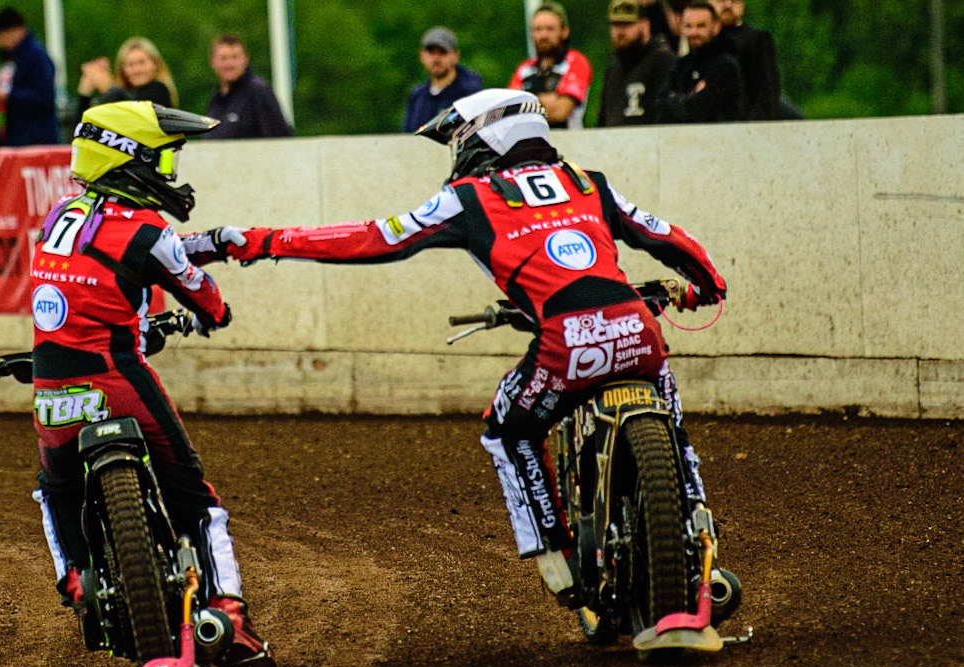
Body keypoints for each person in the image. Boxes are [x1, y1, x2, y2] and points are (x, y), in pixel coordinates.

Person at [221, 88, 727, 606]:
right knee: (674, 424)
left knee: (508, 429)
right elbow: (664, 235)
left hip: (565, 344)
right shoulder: (588, 182)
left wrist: (261, 241)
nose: (457, 151)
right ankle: (700, 539)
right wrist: (706, 286)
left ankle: (558, 557)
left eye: (458, 138)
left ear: (485, 133)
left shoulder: (469, 197)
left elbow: (375, 238)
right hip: (639, 330)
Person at [31, 100, 275, 667]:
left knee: (54, 489)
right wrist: (217, 308)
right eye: (162, 160)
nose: (168, 174)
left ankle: (73, 578)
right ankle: (230, 616)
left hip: (50, 385)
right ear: (130, 160)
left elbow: (124, 253)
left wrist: (210, 239)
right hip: (117, 377)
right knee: (195, 497)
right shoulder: (149, 229)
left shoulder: (62, 215)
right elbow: (197, 289)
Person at [0, 6, 57, 146]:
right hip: (8, 139)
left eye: (2, 35)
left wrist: (7, 96)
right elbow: (5, 94)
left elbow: (42, 96)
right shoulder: (8, 59)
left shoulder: (36, 56)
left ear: (16, 30)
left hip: (34, 141)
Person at [656, 2, 747, 123]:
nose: (694, 32)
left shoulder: (726, 65)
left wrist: (676, 99)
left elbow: (701, 111)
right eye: (688, 26)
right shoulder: (682, 64)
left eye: (701, 26)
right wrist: (691, 97)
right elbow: (659, 108)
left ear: (716, 27)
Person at [508, 1, 594, 129]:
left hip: (569, 143)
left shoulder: (576, 62)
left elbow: (560, 112)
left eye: (550, 29)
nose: (543, 35)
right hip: (531, 144)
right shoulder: (524, 68)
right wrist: (548, 101)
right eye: (538, 29)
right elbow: (508, 112)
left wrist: (525, 102)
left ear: (564, 31)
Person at [597, 0, 678, 127]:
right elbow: (603, 123)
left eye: (627, 24)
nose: (620, 32)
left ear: (645, 25)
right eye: (615, 25)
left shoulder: (663, 61)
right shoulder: (613, 70)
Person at [203, 34, 294, 140]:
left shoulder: (259, 92)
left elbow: (281, 139)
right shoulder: (216, 98)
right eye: (223, 58)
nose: (229, 63)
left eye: (235, 57)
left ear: (245, 59)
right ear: (212, 61)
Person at [402, 26, 483, 134]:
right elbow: (408, 136)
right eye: (431, 52)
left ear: (456, 55)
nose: (436, 59)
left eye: (442, 52)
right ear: (421, 55)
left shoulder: (470, 94)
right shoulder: (417, 96)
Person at [76, 37, 178, 116]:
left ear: (155, 64)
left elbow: (137, 110)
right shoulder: (119, 94)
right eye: (130, 65)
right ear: (122, 70)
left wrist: (108, 88)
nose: (137, 70)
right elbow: (84, 129)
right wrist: (85, 93)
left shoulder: (160, 90)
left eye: (141, 62)